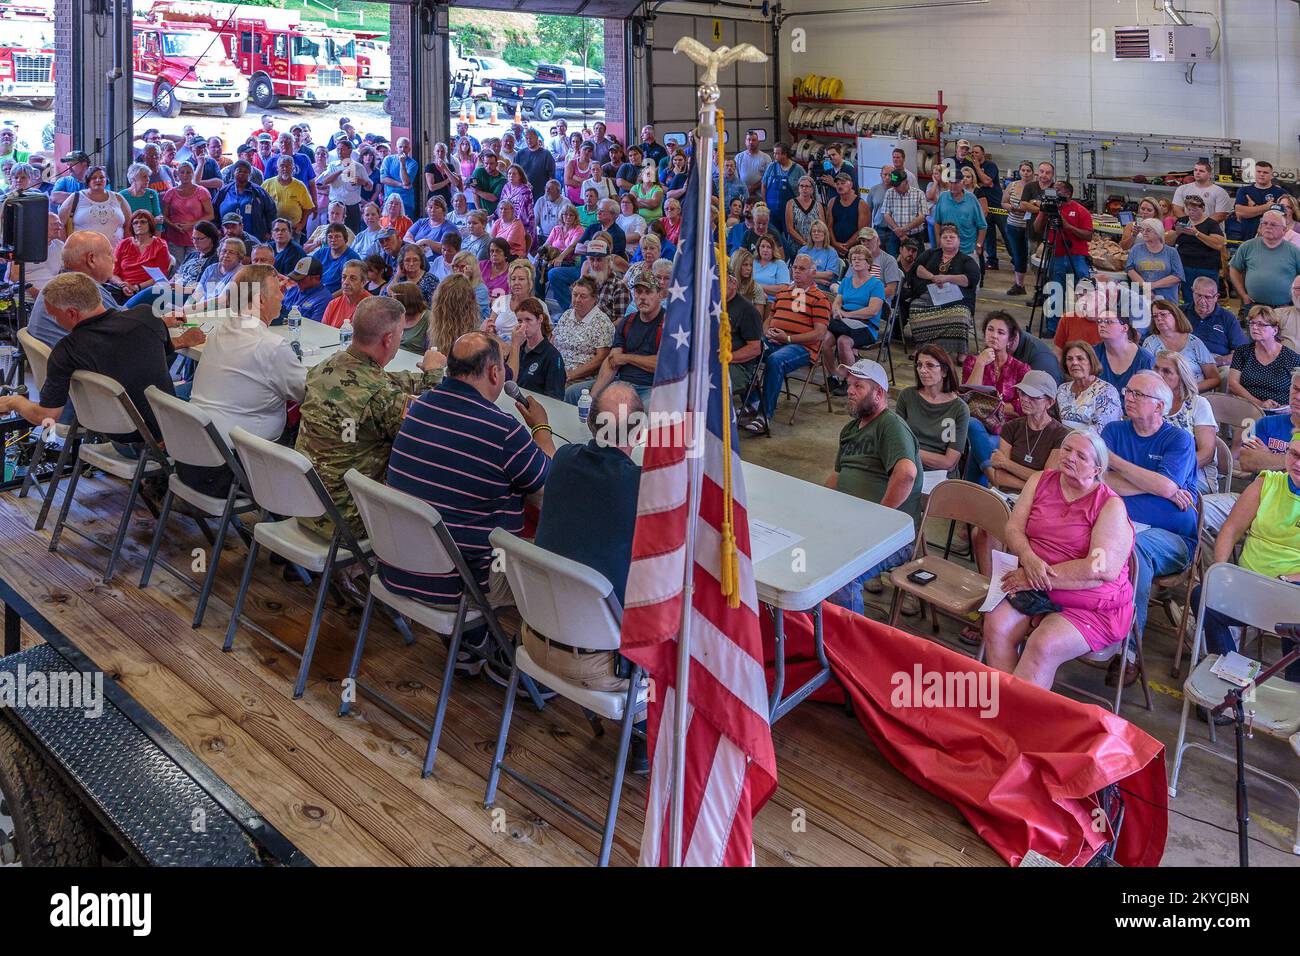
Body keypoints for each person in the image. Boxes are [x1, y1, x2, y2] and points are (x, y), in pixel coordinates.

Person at [379, 331, 554, 613]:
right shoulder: (503, 430)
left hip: (398, 564)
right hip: (463, 583)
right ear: (495, 373)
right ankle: (495, 643)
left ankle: (472, 642)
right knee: (565, 562)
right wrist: (541, 429)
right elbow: (551, 488)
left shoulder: (416, 407)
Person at [982, 430, 1136, 689]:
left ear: (1097, 468)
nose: (1069, 457)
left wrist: (1034, 579)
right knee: (996, 625)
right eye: (1066, 449)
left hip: (1091, 601)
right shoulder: (1040, 480)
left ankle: (1021, 720)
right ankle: (1008, 708)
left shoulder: (1109, 506)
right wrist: (1028, 557)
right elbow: (1013, 529)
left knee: (1043, 644)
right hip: (1034, 582)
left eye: (1080, 456)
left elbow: (1098, 569)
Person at [528, 382, 645, 704]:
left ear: (591, 423)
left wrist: (540, 429)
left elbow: (549, 452)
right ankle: (641, 736)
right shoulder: (643, 490)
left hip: (535, 637)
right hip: (602, 664)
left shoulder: (564, 460)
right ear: (638, 432)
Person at [295, 296, 446, 541]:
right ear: (388, 339)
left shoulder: (324, 367)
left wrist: (420, 378)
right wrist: (435, 375)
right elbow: (429, 423)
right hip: (348, 520)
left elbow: (378, 380)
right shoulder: (381, 396)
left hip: (303, 502)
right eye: (399, 335)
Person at [0, 272, 203, 449]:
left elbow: (46, 416)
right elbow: (160, 346)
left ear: (71, 313)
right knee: (204, 386)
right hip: (163, 434)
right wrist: (185, 340)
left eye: (54, 316)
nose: (55, 321)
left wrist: (14, 401)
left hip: (117, 435)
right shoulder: (145, 318)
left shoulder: (66, 351)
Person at [184, 264, 305, 494]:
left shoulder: (220, 332)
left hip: (190, 456)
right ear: (260, 301)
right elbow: (307, 395)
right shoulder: (272, 346)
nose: (282, 295)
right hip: (233, 470)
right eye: (278, 290)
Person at [1102, 370, 1199, 649]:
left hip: (1171, 536)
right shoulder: (1113, 431)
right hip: (1116, 523)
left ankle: (1129, 649)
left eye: (1138, 394)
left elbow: (1168, 484)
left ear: (1159, 406)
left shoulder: (1178, 439)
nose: (1128, 398)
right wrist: (1157, 485)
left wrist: (1116, 463)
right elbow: (1097, 479)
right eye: (1128, 391)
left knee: (1134, 551)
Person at [826, 358, 923, 614]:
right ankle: (817, 632)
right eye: (849, 384)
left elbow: (906, 474)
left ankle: (850, 643)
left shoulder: (890, 425)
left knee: (840, 578)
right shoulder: (850, 429)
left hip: (891, 535)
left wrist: (877, 519)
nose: (849, 390)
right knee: (804, 558)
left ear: (879, 393)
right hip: (849, 524)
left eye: (858, 386)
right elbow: (839, 476)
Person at [747, 255, 832, 432]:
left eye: (802, 269)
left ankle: (764, 415)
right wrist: (765, 332)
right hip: (775, 340)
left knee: (775, 360)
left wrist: (788, 338)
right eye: (795, 268)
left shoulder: (819, 298)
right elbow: (770, 318)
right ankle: (754, 401)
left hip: (802, 347)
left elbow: (820, 333)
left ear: (813, 272)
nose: (797, 272)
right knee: (748, 349)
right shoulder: (784, 291)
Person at [961, 311, 1030, 484]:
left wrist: (988, 405)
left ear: (1010, 339)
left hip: (1007, 429)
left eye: (1001, 332)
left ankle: (972, 491)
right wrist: (980, 364)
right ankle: (993, 478)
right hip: (977, 424)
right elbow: (968, 397)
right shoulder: (973, 361)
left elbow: (1021, 407)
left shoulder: (1021, 369)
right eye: (990, 330)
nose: (994, 335)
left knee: (984, 445)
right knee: (973, 426)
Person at [905, 223, 981, 361]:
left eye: (952, 237)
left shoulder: (966, 260)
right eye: (945, 237)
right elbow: (917, 269)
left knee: (961, 314)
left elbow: (970, 279)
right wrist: (933, 277)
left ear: (959, 240)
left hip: (956, 300)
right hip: (929, 297)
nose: (948, 239)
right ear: (940, 240)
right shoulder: (930, 253)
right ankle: (922, 347)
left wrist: (947, 278)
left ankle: (961, 352)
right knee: (915, 307)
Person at [821, 244, 886, 396]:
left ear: (868, 263)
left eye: (859, 259)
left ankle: (851, 381)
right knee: (825, 340)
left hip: (866, 325)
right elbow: (838, 301)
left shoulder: (876, 284)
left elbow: (873, 310)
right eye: (853, 259)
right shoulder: (846, 281)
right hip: (844, 321)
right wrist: (837, 310)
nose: (855, 261)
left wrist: (848, 315)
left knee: (843, 341)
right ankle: (833, 376)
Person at [991, 371, 1071, 492]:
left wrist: (1006, 463)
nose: (1024, 399)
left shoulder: (1060, 434)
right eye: (1022, 393)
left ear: (1049, 402)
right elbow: (1000, 478)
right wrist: (1034, 485)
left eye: (1033, 396)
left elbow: (1047, 479)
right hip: (1007, 495)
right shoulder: (1011, 427)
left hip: (1039, 500)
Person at [895, 345, 969, 474]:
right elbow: (895, 440)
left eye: (929, 365)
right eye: (919, 365)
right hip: (905, 466)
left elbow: (949, 463)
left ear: (944, 371)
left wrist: (909, 451)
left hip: (938, 474)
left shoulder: (960, 409)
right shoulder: (907, 396)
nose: (922, 370)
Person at [1153, 349, 1218, 494]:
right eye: (1156, 369)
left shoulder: (1198, 404)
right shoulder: (1150, 402)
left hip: (1193, 474)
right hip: (1154, 471)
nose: (1158, 375)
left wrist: (1169, 473)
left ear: (1181, 377)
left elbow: (1207, 454)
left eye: (1166, 371)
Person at [591, 276, 665, 401]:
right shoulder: (628, 321)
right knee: (574, 393)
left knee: (644, 411)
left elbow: (661, 364)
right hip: (622, 382)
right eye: (638, 292)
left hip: (652, 387)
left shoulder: (667, 323)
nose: (642, 297)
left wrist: (626, 358)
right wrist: (592, 397)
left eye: (648, 292)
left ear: (660, 295)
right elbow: (613, 361)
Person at [1034, 180, 1093, 335]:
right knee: (1055, 291)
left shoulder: (1080, 210)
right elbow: (1037, 229)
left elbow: (1088, 235)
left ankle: (1085, 325)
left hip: (1077, 256)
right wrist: (1044, 212)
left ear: (1068, 193)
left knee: (1083, 290)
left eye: (1058, 190)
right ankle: (1053, 328)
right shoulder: (1049, 209)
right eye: (1053, 189)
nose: (1055, 192)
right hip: (1056, 255)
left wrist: (1068, 227)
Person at [1228, 305, 1300, 409]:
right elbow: (1233, 384)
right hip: (1248, 407)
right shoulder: (1242, 351)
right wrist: (1259, 404)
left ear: (1275, 330)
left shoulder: (1292, 358)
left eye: (1261, 324)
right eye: (1252, 323)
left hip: (1280, 410)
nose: (1254, 327)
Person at [1140, 298, 1219, 391]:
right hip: (1162, 395)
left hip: (1194, 393)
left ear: (1175, 315)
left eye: (1163, 314)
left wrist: (1189, 390)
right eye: (1155, 316)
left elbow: (1214, 379)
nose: (1159, 319)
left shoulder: (1194, 342)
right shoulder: (1150, 342)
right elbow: (1144, 375)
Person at [1230, 209, 1300, 310]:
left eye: (1273, 224)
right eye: (1265, 223)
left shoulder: (1294, 251)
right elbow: (1234, 269)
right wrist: (1243, 294)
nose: (1268, 227)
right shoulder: (1247, 246)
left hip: (1284, 308)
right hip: (1254, 307)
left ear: (1284, 230)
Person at [1167, 193, 1226, 306]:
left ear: (1203, 208)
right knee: (1188, 297)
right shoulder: (1181, 221)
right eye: (1188, 209)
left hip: (1206, 267)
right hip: (1185, 266)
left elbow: (1218, 244)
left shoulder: (1211, 224)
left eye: (1194, 209)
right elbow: (1167, 241)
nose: (1191, 212)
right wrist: (1177, 232)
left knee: (1207, 298)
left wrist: (1197, 234)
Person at [1057, 340, 1122, 434]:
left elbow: (1104, 430)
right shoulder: (1062, 389)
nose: (1074, 363)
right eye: (1069, 359)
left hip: (1094, 444)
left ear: (1091, 362)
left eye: (1080, 358)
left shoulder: (1106, 391)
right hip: (1065, 443)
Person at [506, 298, 566, 399]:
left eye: (528, 320)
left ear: (540, 319)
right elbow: (507, 380)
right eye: (519, 321)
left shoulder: (552, 356)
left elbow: (555, 397)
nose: (523, 325)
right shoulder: (517, 349)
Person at [58, 165, 129, 244]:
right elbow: (60, 224)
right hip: (82, 253)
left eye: (102, 177)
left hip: (115, 253)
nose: (98, 180)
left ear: (106, 180)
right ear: (88, 180)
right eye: (94, 178)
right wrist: (65, 246)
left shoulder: (118, 198)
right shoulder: (75, 197)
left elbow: (128, 225)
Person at [1188, 275, 1248, 366]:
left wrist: (1216, 361)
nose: (1202, 301)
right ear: (1192, 292)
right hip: (1186, 359)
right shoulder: (1181, 312)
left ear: (1216, 297)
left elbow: (1241, 352)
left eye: (1207, 297)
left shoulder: (1227, 318)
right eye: (1198, 295)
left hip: (1217, 362)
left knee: (1227, 374)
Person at [212, 161, 278, 242]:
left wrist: (270, 231)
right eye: (239, 171)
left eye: (246, 172)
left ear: (250, 175)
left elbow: (271, 211)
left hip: (254, 238)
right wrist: (216, 229)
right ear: (234, 172)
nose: (242, 173)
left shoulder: (259, 192)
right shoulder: (224, 191)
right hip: (227, 237)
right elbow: (213, 210)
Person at [933, 165, 987, 260]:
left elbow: (982, 225)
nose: (953, 185)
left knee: (970, 274)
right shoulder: (943, 197)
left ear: (963, 182)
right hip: (947, 250)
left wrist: (979, 245)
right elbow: (937, 222)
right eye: (951, 182)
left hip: (967, 251)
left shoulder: (971, 199)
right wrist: (938, 241)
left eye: (956, 182)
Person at [1094, 309, 1154, 393]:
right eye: (1099, 321)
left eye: (1108, 321)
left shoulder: (1145, 359)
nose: (1102, 325)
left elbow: (1149, 393)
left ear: (1125, 328)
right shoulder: (1093, 353)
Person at [999, 161, 1035, 295]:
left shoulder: (1035, 188)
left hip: (1030, 227)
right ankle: (1019, 285)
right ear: (1019, 172)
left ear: (1032, 172)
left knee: (1033, 257)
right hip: (1014, 225)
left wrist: (1027, 208)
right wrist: (1011, 208)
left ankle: (1039, 285)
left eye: (1028, 170)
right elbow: (1003, 202)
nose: (1025, 173)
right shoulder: (1012, 186)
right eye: (1023, 170)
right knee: (1018, 255)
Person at [1125, 218, 1185, 297]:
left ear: (1158, 232)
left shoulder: (1171, 252)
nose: (1144, 233)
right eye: (1143, 230)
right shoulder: (1136, 249)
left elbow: (1178, 276)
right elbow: (1130, 270)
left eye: (1148, 230)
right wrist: (1146, 288)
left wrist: (1152, 286)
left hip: (1166, 298)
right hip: (1139, 296)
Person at [1232, 160, 1287, 242]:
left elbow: (1285, 215)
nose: (1261, 174)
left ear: (1271, 175)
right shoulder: (1244, 191)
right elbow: (1240, 212)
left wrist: (1253, 208)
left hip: (1272, 238)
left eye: (1265, 172)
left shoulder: (1281, 193)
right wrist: (1268, 207)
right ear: (1255, 173)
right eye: (1259, 171)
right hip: (1247, 236)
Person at [880, 168, 930, 259]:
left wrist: (905, 229)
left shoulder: (919, 194)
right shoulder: (889, 193)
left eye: (898, 185)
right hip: (895, 236)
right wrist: (899, 231)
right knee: (893, 262)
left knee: (918, 263)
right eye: (894, 185)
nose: (895, 188)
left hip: (915, 236)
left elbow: (922, 216)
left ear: (906, 182)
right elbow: (886, 214)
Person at [265, 156, 315, 238]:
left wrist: (301, 224)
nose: (285, 169)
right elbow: (260, 207)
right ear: (277, 168)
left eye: (288, 166)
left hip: (293, 230)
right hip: (273, 230)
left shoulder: (300, 186)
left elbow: (308, 207)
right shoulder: (267, 184)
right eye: (282, 166)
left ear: (293, 168)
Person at [826, 172, 870, 257]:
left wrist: (847, 245)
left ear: (851, 185)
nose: (839, 186)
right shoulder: (832, 202)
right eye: (837, 183)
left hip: (855, 249)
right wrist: (835, 244)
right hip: (835, 248)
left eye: (843, 183)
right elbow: (829, 226)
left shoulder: (861, 204)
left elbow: (862, 230)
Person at [312, 223, 362, 296]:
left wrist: (329, 299)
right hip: (316, 293)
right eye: (330, 237)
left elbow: (350, 286)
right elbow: (308, 273)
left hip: (336, 296)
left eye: (337, 236)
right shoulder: (321, 252)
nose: (333, 240)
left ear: (345, 239)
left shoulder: (351, 258)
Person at [321, 260, 370, 330]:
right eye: (344, 277)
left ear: (363, 282)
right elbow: (323, 332)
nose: (346, 282)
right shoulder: (333, 304)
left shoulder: (372, 307)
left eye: (353, 278)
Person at [283, 256, 332, 324]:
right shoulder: (293, 290)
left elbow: (314, 328)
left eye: (301, 279)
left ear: (316, 278)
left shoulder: (324, 299)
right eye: (296, 278)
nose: (298, 282)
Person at [378, 137, 419, 219]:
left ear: (409, 149)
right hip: (389, 201)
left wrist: (402, 164)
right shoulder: (388, 160)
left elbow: (406, 182)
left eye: (405, 147)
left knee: (405, 228)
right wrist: (401, 185)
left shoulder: (413, 163)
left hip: (406, 202)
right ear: (396, 148)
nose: (403, 149)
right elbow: (383, 179)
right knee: (388, 229)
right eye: (400, 147)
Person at [392, 242, 438, 306]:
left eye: (415, 260)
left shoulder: (430, 279)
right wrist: (397, 275)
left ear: (421, 261)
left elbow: (434, 305)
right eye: (407, 260)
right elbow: (387, 295)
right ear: (402, 262)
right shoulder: (399, 278)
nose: (411, 264)